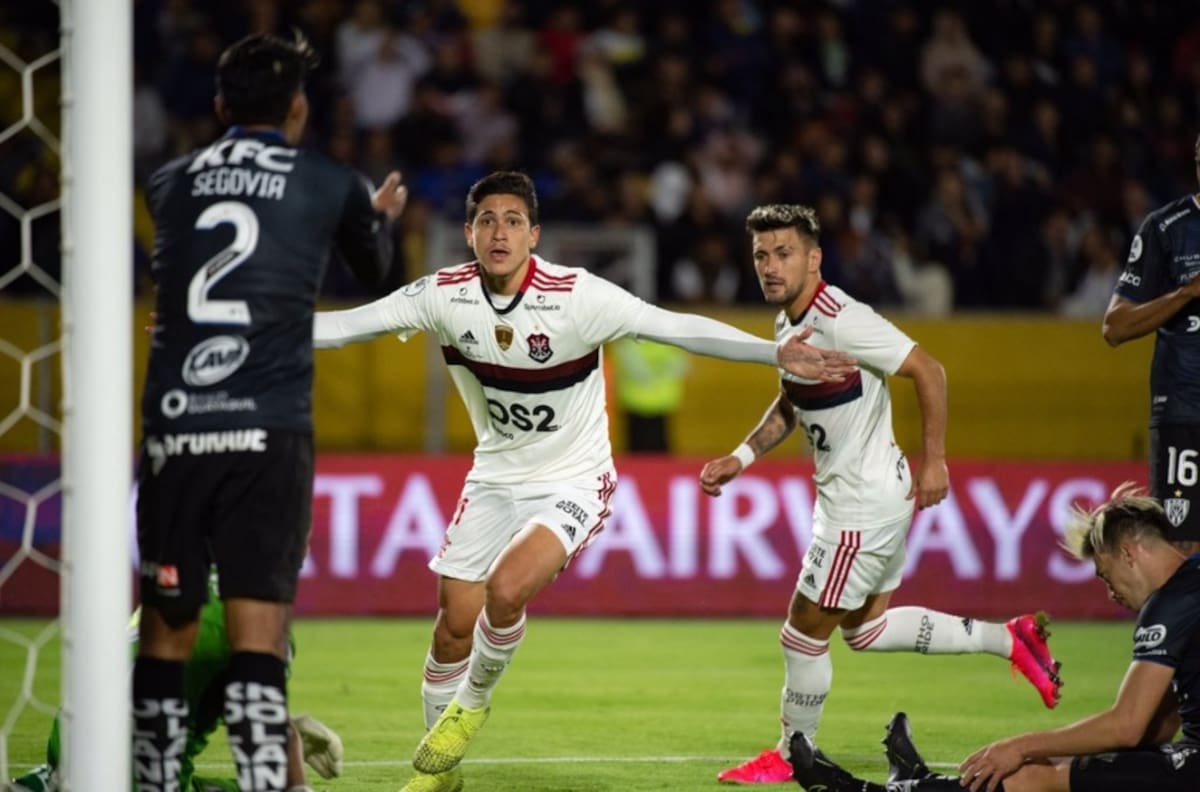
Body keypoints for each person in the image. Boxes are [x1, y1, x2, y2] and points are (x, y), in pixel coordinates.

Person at [310, 171, 858, 792]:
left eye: (513, 220)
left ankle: (472, 704)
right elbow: (345, 327)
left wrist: (773, 352)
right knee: (453, 622)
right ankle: (445, 774)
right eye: (487, 220)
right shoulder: (444, 295)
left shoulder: (578, 296)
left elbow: (675, 327)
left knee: (506, 589)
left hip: (574, 478)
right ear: (467, 234)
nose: (500, 232)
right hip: (494, 476)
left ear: (534, 235)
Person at [699, 204, 1062, 785]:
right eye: (762, 255)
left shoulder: (841, 316)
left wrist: (936, 459)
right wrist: (741, 457)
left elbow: (928, 369)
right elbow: (793, 400)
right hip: (870, 497)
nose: (770, 266)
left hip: (859, 508)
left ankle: (793, 753)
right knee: (864, 630)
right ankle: (1009, 637)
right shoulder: (788, 323)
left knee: (800, 633)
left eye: (783, 253)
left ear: (814, 258)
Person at [134, 32, 407, 792]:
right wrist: (374, 216)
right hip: (268, 428)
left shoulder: (168, 181)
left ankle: (146, 779)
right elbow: (374, 269)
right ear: (298, 108)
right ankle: (266, 782)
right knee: (259, 629)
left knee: (165, 628)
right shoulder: (328, 180)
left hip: (178, 424)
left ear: (220, 106)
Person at [790, 483, 1200, 792]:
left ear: (1129, 552)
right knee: (1046, 765)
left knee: (1033, 778)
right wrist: (1047, 750)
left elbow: (1127, 727)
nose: (1112, 595)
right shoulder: (1189, 582)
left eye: (1107, 577)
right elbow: (1158, 727)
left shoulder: (1170, 604)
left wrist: (1022, 746)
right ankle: (920, 783)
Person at [8, 586, 344, 792]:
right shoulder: (259, 616)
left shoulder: (169, 587)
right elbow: (270, 737)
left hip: (70, 746)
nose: (305, 553)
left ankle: (47, 783)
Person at [1103, 132, 1200, 553]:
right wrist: (1186, 293)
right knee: (1184, 547)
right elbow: (1115, 326)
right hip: (1186, 408)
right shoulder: (1166, 229)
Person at [610, 337, 690, 453]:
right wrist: (661, 368)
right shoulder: (670, 339)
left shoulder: (628, 339)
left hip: (655, 403)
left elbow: (681, 368)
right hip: (639, 404)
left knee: (649, 448)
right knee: (646, 449)